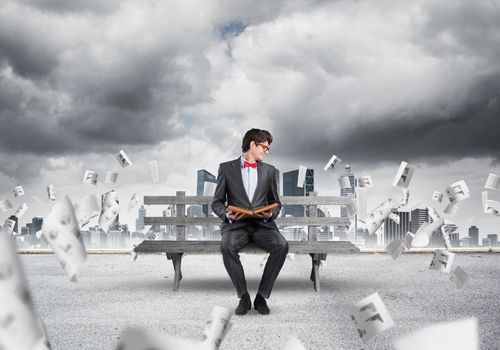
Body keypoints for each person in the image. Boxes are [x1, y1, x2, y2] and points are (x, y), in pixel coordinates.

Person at [211, 128, 289, 315]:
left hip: (263, 225)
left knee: (282, 245)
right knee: (226, 246)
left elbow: (275, 202)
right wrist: (228, 215)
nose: (266, 151)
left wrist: (269, 214)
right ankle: (243, 296)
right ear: (253, 144)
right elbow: (217, 202)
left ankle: (262, 296)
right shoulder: (226, 168)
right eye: (265, 147)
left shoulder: (269, 171)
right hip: (237, 226)